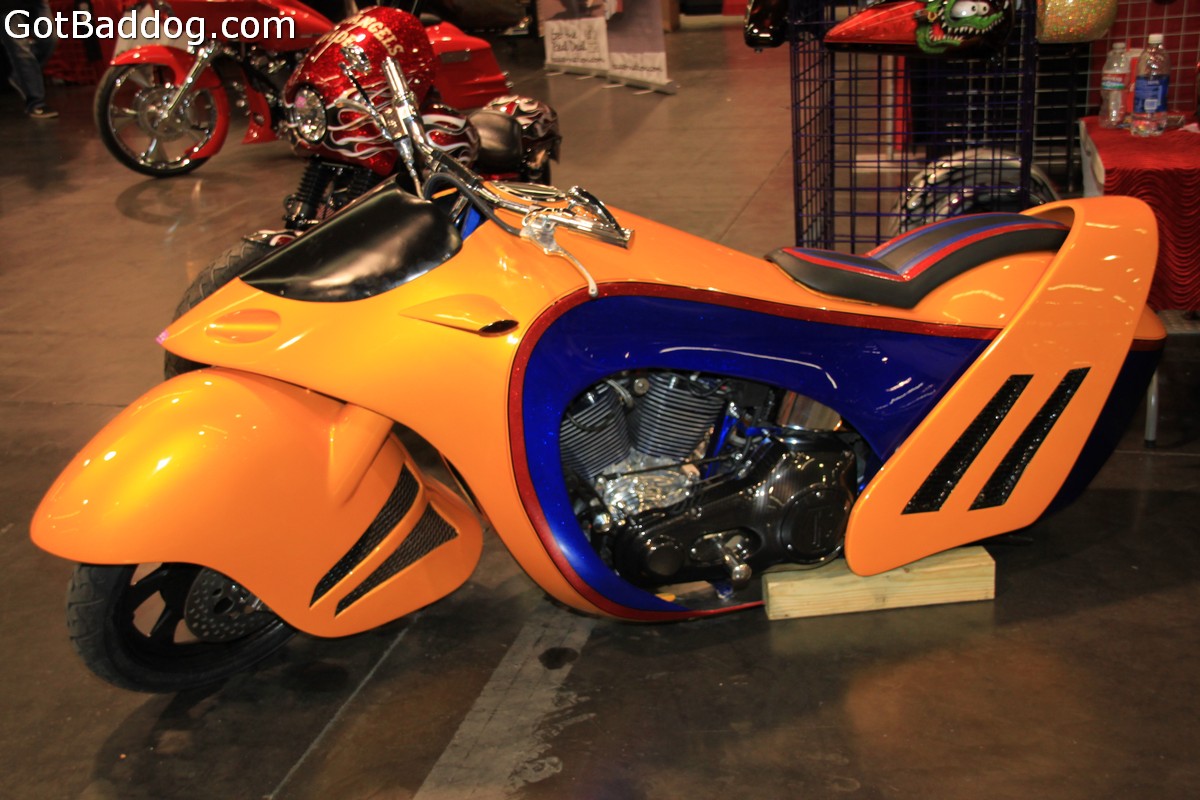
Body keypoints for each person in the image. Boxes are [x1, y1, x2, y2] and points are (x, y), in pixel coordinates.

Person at [1, 0, 58, 119]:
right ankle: (36, 102)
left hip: (36, 2)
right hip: (6, 5)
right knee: (21, 50)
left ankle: (19, 75)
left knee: (49, 39)